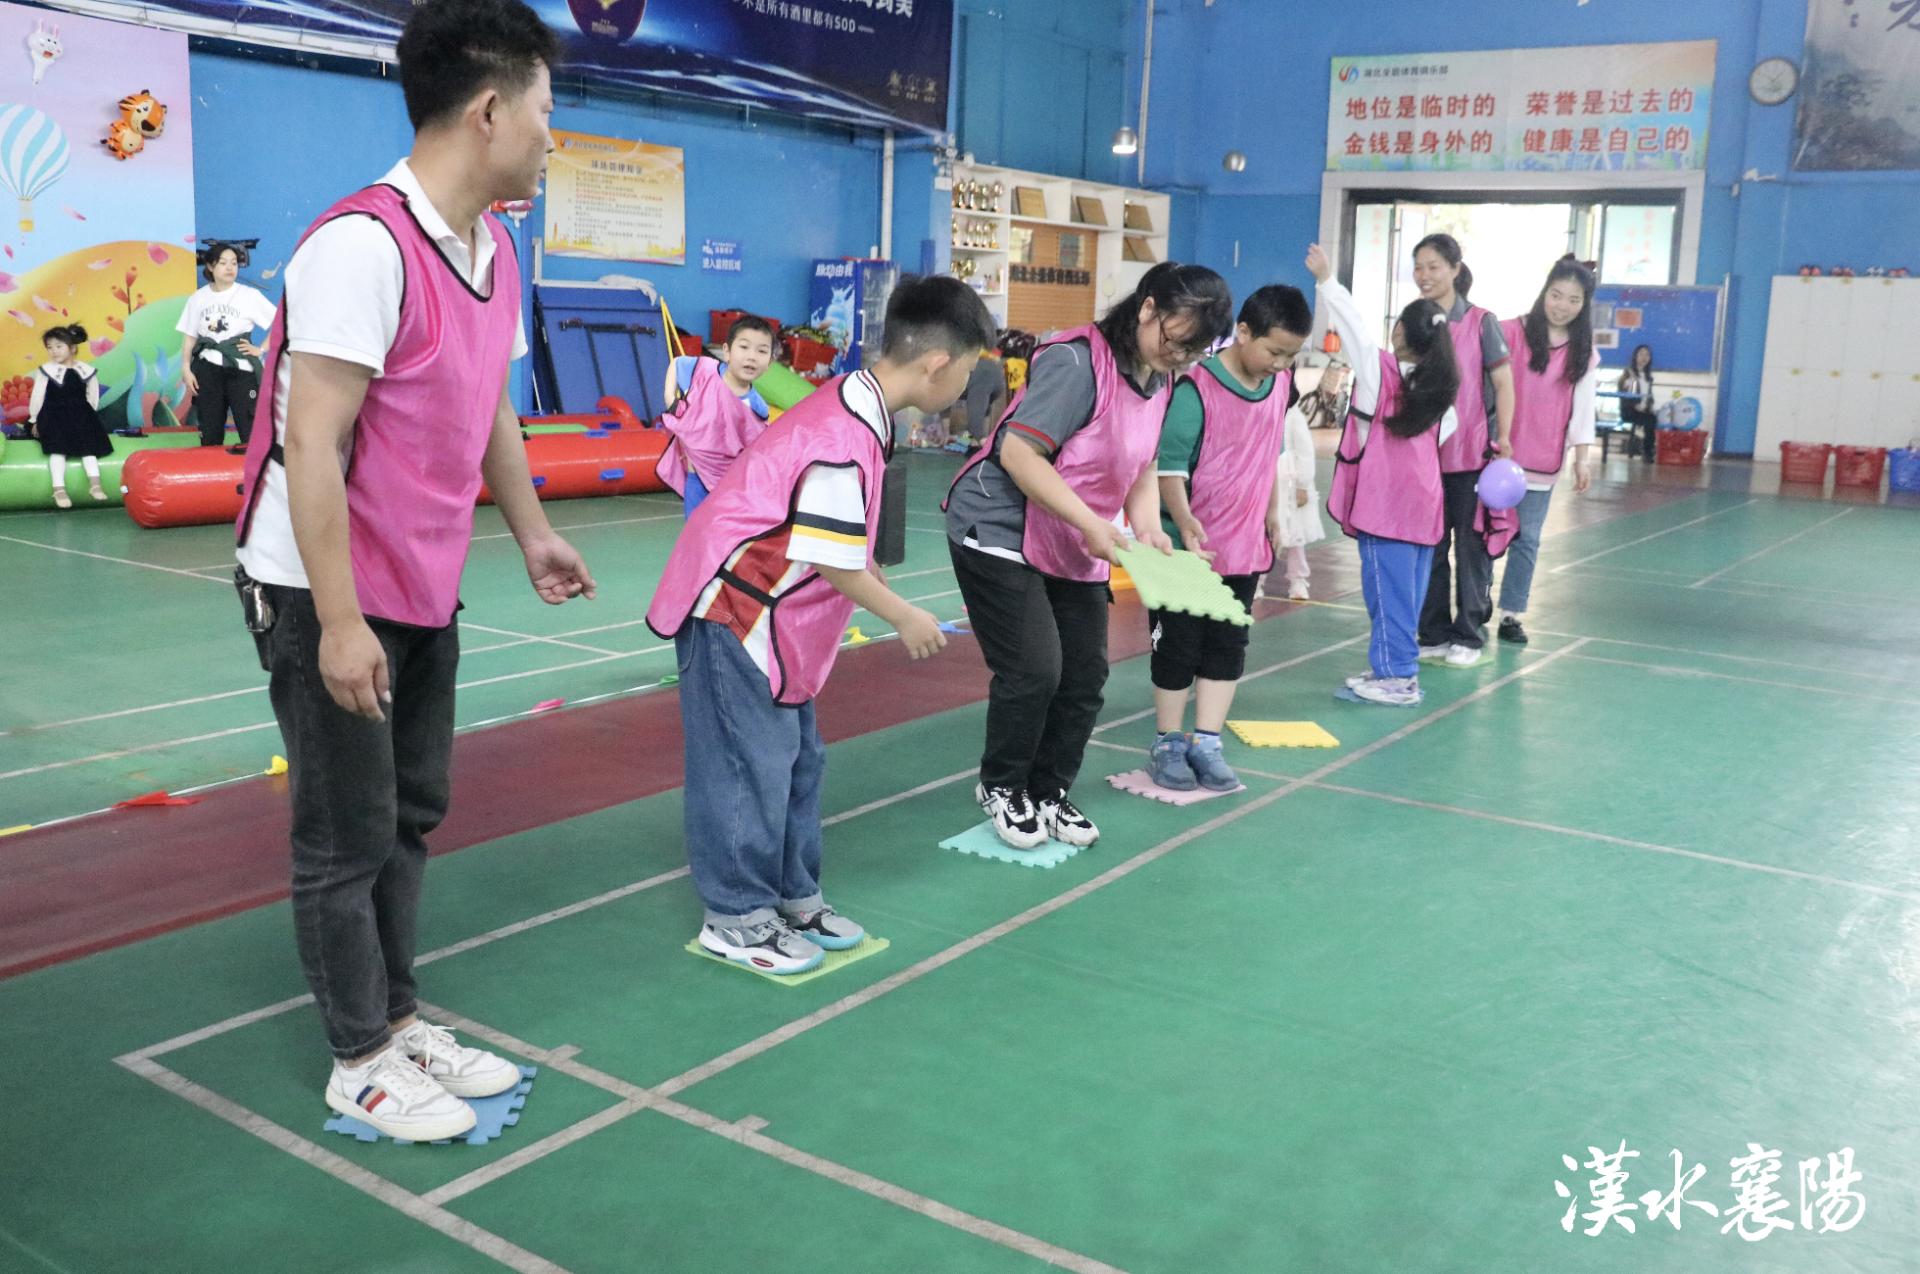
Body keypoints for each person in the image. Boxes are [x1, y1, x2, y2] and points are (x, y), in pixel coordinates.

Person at [233, 0, 596, 1143]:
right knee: (345, 832)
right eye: (545, 111)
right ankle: (359, 1056)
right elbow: (311, 446)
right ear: (489, 110)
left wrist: (531, 528)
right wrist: (337, 625)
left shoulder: (494, 246)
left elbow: (487, 400)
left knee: (411, 810)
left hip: (422, 574)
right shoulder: (361, 246)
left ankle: (395, 1014)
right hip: (321, 583)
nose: (551, 133)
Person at [645, 276, 993, 974]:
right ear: (937, 363)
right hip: (734, 613)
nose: (966, 389)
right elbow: (827, 556)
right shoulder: (843, 429)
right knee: (749, 767)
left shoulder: (857, 409)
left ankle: (793, 895)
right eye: (970, 371)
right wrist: (902, 614)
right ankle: (738, 918)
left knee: (799, 761)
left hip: (779, 621)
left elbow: (836, 538)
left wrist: (874, 575)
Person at [944, 262, 1233, 849]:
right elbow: (1019, 454)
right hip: (1000, 524)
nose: (1181, 358)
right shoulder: (1076, 362)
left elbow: (1143, 462)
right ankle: (1002, 786)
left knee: (1084, 676)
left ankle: (1048, 791)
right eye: (1176, 342)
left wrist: (1148, 529)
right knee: (1034, 670)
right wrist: (1094, 525)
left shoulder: (1162, 377)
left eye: (1195, 352)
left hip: (1076, 536)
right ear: (1148, 308)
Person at [1147, 284, 1311, 792]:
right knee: (1178, 647)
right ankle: (1168, 741)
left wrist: (1271, 514)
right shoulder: (1196, 388)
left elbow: (1265, 457)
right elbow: (1167, 469)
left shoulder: (1280, 388)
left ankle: (1207, 741)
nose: (1280, 364)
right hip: (1182, 547)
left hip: (1243, 547)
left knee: (1227, 647)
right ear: (1243, 332)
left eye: (1290, 356)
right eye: (1274, 351)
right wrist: (1186, 519)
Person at [1308, 243, 1460, 708]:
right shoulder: (1441, 391)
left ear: (1399, 333)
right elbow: (1442, 439)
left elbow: (1352, 328)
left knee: (1385, 594)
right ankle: (1392, 666)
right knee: (1407, 595)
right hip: (1424, 508)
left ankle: (1397, 677)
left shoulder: (1382, 374)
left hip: (1385, 507)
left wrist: (1327, 279)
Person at [1407, 233, 1513, 669]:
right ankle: (1431, 632)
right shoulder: (1415, 321)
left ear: (1454, 268)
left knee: (1471, 550)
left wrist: (1504, 438)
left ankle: (1469, 634)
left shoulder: (1481, 321)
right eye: (1419, 267)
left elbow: (1504, 383)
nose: (1425, 275)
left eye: (1433, 266)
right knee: (1429, 548)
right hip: (1425, 458)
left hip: (1472, 458)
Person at [1495, 256, 1601, 644]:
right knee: (1485, 534)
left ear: (1583, 305)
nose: (1562, 305)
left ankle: (1510, 613)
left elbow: (1583, 407)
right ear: (1544, 293)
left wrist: (1582, 458)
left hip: (1543, 461)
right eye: (1556, 295)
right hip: (1498, 456)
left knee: (1528, 539)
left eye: (1573, 300)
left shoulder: (1584, 352)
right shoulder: (1508, 332)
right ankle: (1475, 607)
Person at [656, 314, 774, 515]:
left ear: (769, 362)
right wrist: (670, 399)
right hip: (697, 483)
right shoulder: (704, 371)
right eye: (744, 347)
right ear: (726, 351)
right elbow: (676, 364)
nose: (752, 356)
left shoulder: (757, 408)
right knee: (696, 538)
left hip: (729, 488)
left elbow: (757, 451)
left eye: (761, 351)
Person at [180, 242, 278, 451]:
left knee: (249, 428)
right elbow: (190, 337)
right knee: (210, 429)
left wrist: (260, 349)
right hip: (208, 369)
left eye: (234, 263)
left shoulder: (249, 295)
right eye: (223, 263)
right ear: (210, 266)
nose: (230, 267)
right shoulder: (198, 298)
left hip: (241, 370)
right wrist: (186, 368)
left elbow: (281, 321)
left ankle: (252, 480)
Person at [29, 324, 110, 508]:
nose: (53, 351)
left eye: (59, 346)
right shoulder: (46, 371)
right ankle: (59, 489)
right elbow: (38, 396)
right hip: (53, 416)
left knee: (89, 449)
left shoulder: (86, 370)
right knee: (58, 450)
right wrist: (34, 419)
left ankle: (95, 485)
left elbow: (92, 395)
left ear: (72, 348)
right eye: (49, 347)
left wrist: (89, 416)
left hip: (81, 415)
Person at [1275, 387, 1327, 600]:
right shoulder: (1267, 411)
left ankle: (1298, 581)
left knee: (1295, 536)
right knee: (1263, 535)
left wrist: (1303, 485)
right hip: (1268, 481)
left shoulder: (1294, 416)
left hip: (1290, 483)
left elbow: (1305, 451)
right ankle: (1257, 580)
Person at [1618, 344, 1657, 462]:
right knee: (1651, 420)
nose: (1644, 357)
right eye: (1641, 354)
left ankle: (1648, 450)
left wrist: (1650, 406)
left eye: (1647, 355)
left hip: (1644, 411)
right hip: (1629, 410)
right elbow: (1624, 394)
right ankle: (1647, 452)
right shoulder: (1628, 373)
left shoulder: (1648, 377)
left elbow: (1649, 397)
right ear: (1635, 356)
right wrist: (1635, 405)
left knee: (1653, 417)